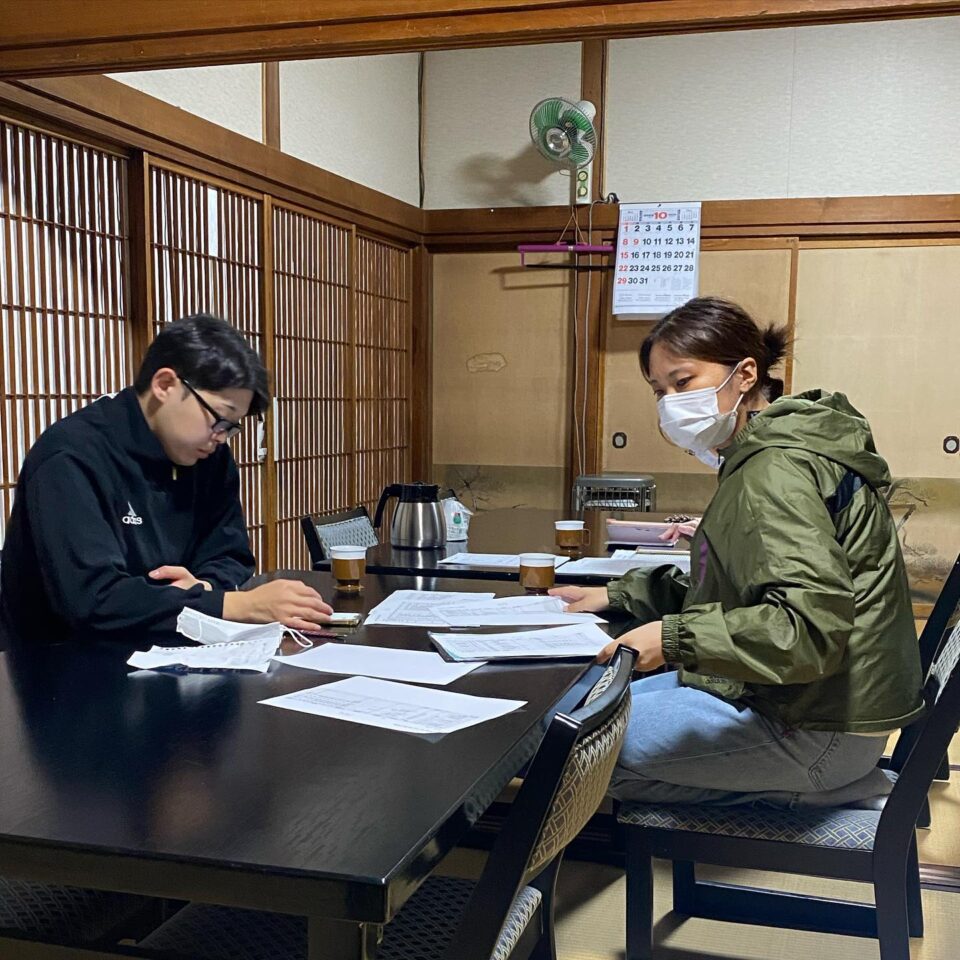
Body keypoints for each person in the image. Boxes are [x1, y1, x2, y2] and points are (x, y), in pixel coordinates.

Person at [552, 297, 924, 808]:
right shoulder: (773, 450)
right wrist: (620, 593)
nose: (668, 404)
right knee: (581, 712)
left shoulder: (775, 468)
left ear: (745, 374)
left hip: (817, 726)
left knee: (574, 750)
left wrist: (674, 636)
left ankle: (817, 791)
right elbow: (729, 585)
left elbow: (806, 629)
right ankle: (814, 780)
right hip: (798, 700)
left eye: (682, 383)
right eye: (659, 391)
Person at [0, 313, 332, 646]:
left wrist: (203, 587)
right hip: (58, 667)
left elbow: (230, 555)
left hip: (169, 653)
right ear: (165, 385)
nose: (221, 437)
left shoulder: (208, 455)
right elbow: (92, 600)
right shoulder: (72, 457)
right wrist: (233, 604)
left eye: (231, 427)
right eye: (218, 418)